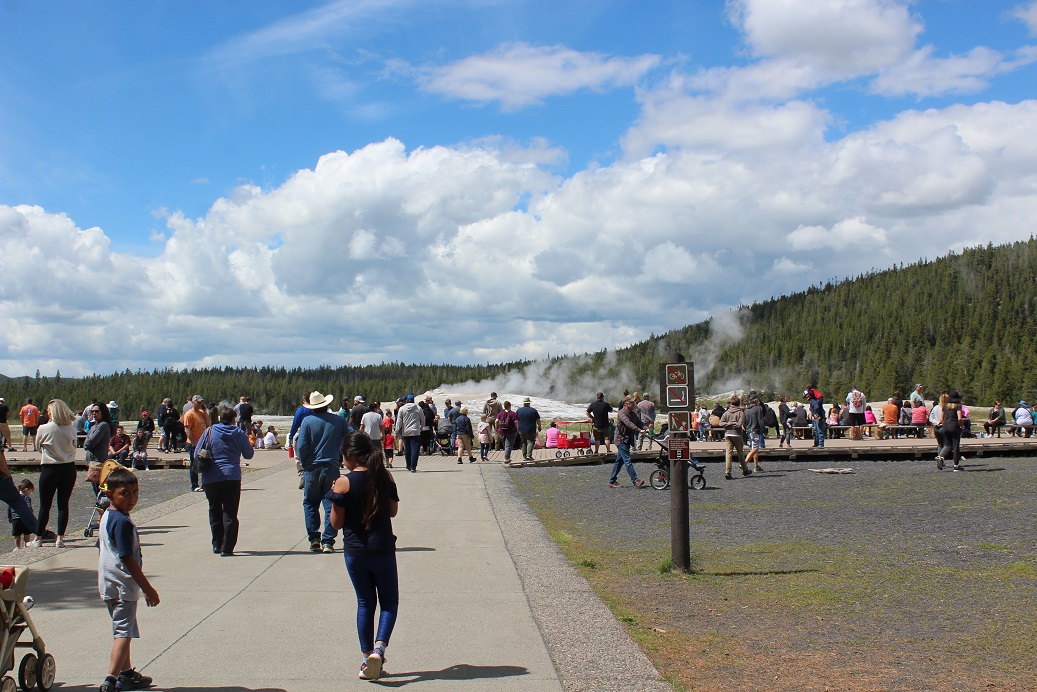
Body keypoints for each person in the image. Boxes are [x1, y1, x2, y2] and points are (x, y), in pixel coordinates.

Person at [328, 431, 400, 681]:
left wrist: (335, 501)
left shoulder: (343, 483)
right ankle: (379, 650)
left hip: (356, 552)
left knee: (365, 603)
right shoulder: (385, 476)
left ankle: (366, 656)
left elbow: (336, 524)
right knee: (389, 603)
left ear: (348, 455)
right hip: (383, 550)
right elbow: (392, 512)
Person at [97, 468, 160, 692]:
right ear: (110, 494)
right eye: (125, 493)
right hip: (123, 584)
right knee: (123, 633)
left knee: (125, 628)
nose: (131, 498)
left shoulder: (107, 516)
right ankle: (110, 680)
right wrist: (147, 588)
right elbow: (127, 557)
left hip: (108, 582)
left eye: (135, 492)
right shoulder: (122, 522)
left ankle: (126, 673)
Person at [297, 391, 348, 553]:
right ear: (327, 405)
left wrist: (304, 462)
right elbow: (348, 439)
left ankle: (314, 538)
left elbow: (302, 445)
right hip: (331, 467)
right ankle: (328, 540)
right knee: (331, 504)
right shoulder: (338, 421)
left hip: (312, 467)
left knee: (310, 503)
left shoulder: (307, 421)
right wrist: (341, 457)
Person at [202, 407, 254, 556]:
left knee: (214, 509)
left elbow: (198, 450)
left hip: (211, 476)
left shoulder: (210, 431)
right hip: (231, 476)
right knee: (230, 512)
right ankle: (227, 548)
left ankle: (217, 544)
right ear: (234, 419)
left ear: (219, 418)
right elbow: (249, 454)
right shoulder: (238, 433)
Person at [607, 397, 649, 489]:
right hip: (620, 439)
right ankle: (635, 480)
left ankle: (611, 481)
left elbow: (639, 422)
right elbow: (629, 424)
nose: (634, 405)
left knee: (619, 461)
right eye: (632, 404)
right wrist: (639, 430)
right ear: (626, 404)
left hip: (627, 440)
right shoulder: (622, 413)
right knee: (627, 460)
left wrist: (645, 428)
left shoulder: (632, 413)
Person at [183, 396, 211, 492]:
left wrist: (205, 411)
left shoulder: (201, 413)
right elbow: (187, 429)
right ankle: (194, 485)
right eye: (198, 402)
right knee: (194, 464)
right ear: (193, 402)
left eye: (201, 403)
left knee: (204, 463)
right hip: (193, 443)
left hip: (203, 442)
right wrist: (194, 442)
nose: (200, 404)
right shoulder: (189, 414)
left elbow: (208, 424)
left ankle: (205, 484)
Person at [720, 395, 751, 479]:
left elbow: (721, 423)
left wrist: (728, 424)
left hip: (728, 434)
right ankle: (745, 470)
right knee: (740, 453)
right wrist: (733, 424)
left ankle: (728, 472)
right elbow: (740, 424)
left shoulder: (726, 412)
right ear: (738, 403)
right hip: (737, 434)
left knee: (728, 454)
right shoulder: (740, 412)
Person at [394, 396, 423, 472]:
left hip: (406, 432)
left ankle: (408, 465)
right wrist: (421, 427)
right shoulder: (418, 408)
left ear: (406, 401)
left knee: (407, 449)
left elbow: (399, 421)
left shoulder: (402, 409)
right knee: (415, 449)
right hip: (416, 431)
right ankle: (413, 466)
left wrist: (396, 431)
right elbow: (423, 419)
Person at [936, 392, 964, 471]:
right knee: (955, 446)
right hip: (954, 426)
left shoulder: (945, 406)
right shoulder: (958, 406)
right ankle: (956, 465)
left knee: (948, 445)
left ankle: (941, 457)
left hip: (945, 426)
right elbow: (959, 418)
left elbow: (941, 419)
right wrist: (961, 425)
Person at [743, 396, 766, 473]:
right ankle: (744, 463)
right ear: (756, 401)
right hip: (755, 430)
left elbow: (744, 421)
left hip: (748, 430)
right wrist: (764, 430)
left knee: (754, 448)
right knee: (755, 448)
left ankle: (756, 466)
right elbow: (760, 420)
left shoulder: (746, 410)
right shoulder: (758, 408)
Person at [9, 479, 33, 549]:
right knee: (27, 532)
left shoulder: (14, 497)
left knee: (17, 534)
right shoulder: (26, 497)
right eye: (30, 491)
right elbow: (28, 507)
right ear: (26, 489)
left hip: (15, 518)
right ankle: (26, 545)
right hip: (24, 518)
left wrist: (10, 516)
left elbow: (9, 507)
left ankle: (17, 547)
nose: (30, 493)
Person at [516, 397, 541, 462]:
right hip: (531, 429)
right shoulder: (533, 410)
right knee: (530, 442)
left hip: (521, 429)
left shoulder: (519, 410)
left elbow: (516, 420)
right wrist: (539, 427)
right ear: (529, 403)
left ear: (523, 403)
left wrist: (517, 428)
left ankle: (524, 457)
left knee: (524, 443)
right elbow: (538, 420)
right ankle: (529, 455)